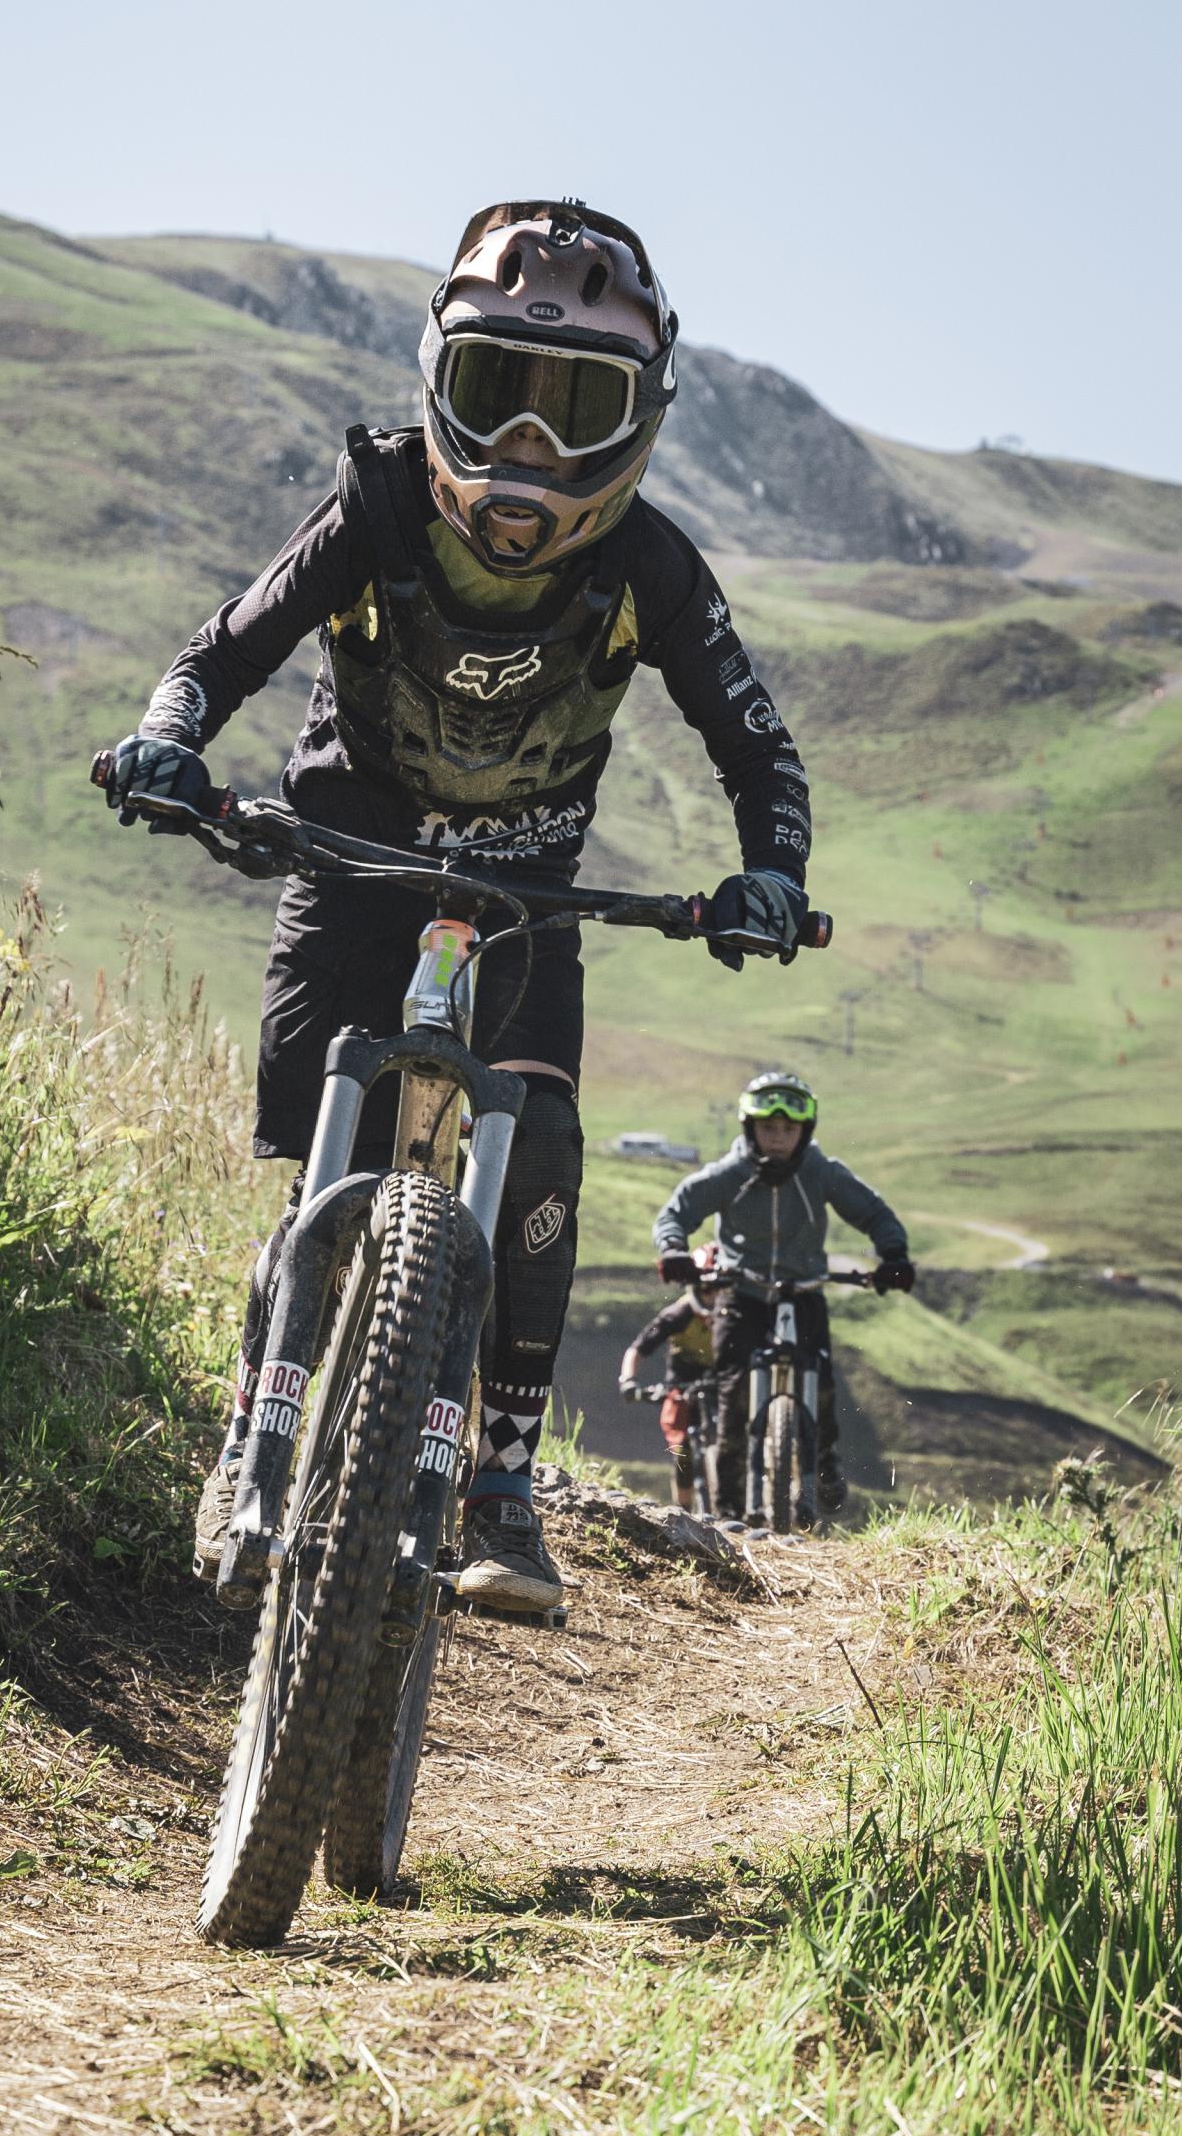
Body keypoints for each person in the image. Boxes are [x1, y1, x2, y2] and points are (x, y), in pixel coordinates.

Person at [95, 198, 811, 1624]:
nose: (530, 450)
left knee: (539, 1151)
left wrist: (773, 874)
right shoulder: (375, 508)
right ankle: (256, 1434)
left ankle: (496, 1482)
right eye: (499, 393)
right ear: (438, 380)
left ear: (639, 419)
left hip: (525, 889)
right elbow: (215, 655)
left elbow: (759, 751)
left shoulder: (651, 568)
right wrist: (170, 742)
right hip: (348, 851)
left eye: (576, 407)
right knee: (315, 1164)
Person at [649, 1071, 913, 1518]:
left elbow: (872, 1211)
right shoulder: (730, 1173)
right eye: (768, 1128)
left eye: (788, 1130)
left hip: (804, 1292)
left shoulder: (821, 1172)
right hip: (741, 1294)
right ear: (750, 1128)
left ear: (804, 1132)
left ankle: (824, 1462)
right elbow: (677, 1211)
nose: (777, 1138)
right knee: (732, 1400)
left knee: (824, 1387)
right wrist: (673, 1250)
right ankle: (729, 1515)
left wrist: (894, 1254)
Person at [617, 1240, 730, 1509]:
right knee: (682, 1449)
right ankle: (683, 1511)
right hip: (682, 1384)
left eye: (719, 1290)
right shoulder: (678, 1313)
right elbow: (638, 1349)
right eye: (706, 1290)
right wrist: (628, 1381)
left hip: (725, 1380)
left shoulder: (736, 1316)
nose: (712, 1297)